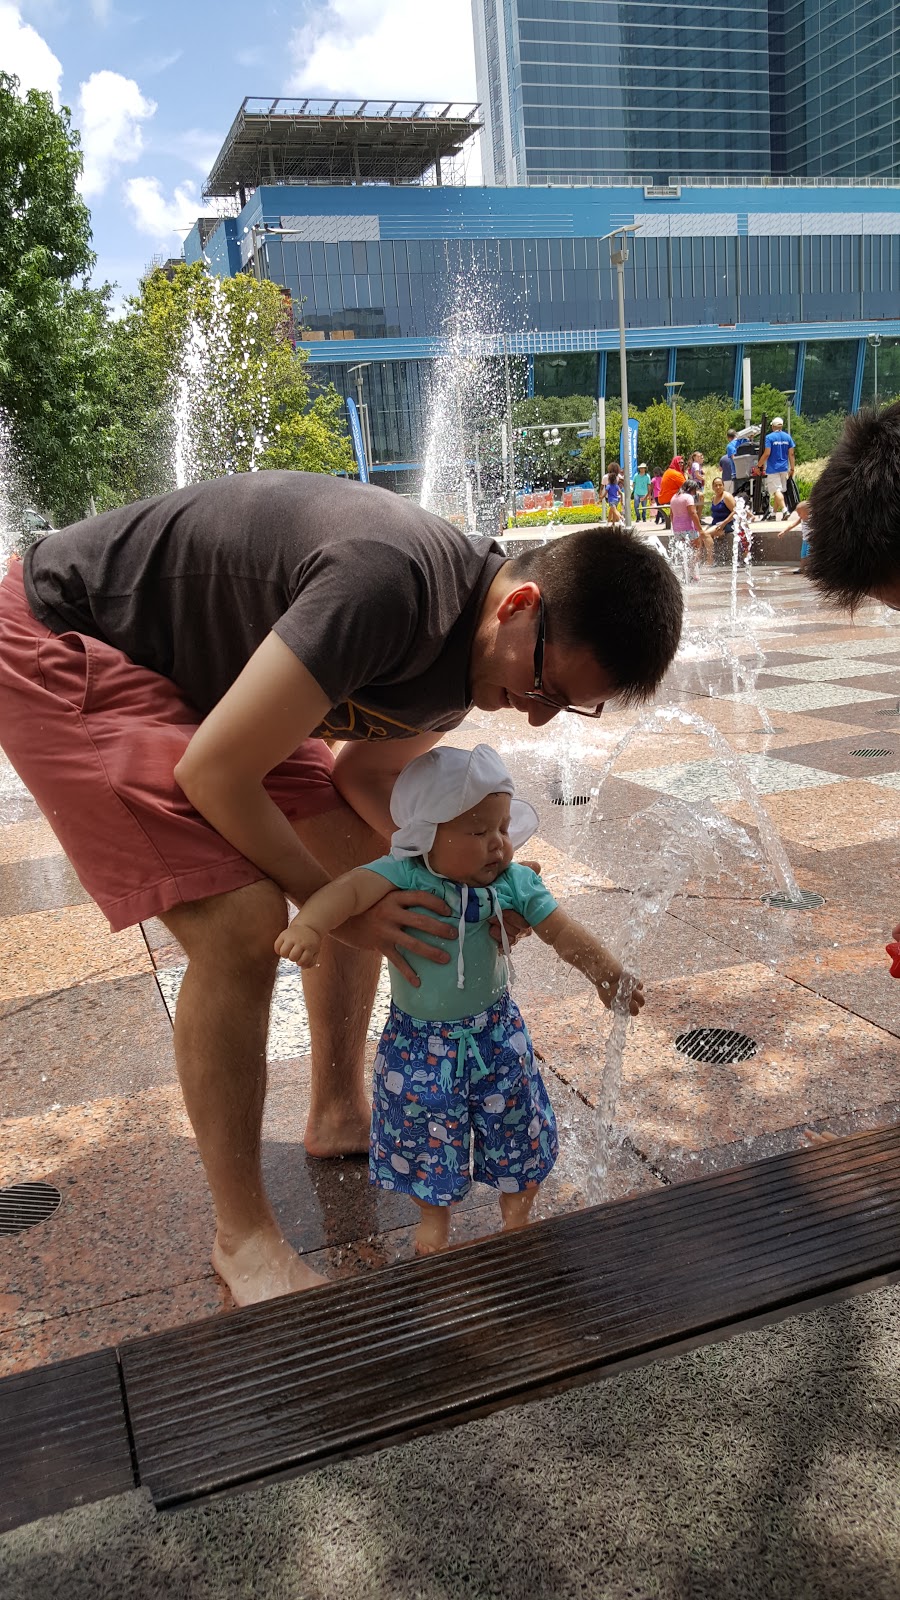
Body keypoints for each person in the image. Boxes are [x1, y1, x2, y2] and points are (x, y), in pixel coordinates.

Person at [0, 471, 682, 1306]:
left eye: (568, 708)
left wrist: (450, 878)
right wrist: (350, 919)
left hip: (209, 684)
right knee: (242, 922)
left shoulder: (475, 660)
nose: (534, 717)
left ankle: (337, 1110)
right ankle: (243, 1238)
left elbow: (365, 777)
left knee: (371, 876)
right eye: (544, 690)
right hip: (66, 636)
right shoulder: (386, 587)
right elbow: (215, 773)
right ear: (520, 606)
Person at [275, 744, 644, 1256]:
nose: (497, 843)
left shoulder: (514, 882)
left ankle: (517, 1213)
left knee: (517, 1122)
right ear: (426, 834)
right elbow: (348, 891)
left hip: (496, 1035)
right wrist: (310, 925)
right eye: (477, 831)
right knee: (425, 1131)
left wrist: (606, 973)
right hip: (418, 1043)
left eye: (502, 827)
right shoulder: (405, 874)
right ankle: (434, 1219)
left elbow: (562, 932)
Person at [759, 415, 796, 519]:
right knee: (779, 491)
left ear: (773, 426)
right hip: (784, 468)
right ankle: (773, 514)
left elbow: (767, 453)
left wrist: (759, 465)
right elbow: (791, 454)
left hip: (773, 468)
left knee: (776, 491)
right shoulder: (787, 437)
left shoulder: (769, 437)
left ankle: (785, 510)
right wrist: (792, 468)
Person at [669, 485, 707, 580]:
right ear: (691, 489)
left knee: (684, 551)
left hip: (677, 529)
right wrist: (700, 529)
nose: (695, 493)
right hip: (689, 528)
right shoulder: (688, 497)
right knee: (697, 548)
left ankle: (686, 573)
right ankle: (691, 568)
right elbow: (692, 513)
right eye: (695, 491)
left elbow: (671, 514)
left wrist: (675, 527)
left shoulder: (674, 497)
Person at [707, 476, 736, 559]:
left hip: (727, 524)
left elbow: (735, 511)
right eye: (716, 485)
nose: (718, 487)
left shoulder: (727, 497)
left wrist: (724, 523)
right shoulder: (714, 498)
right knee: (701, 534)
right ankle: (698, 558)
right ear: (713, 487)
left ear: (723, 486)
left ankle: (710, 560)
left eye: (720, 485)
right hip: (716, 523)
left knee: (706, 534)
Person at [779, 499, 810, 574]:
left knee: (809, 554)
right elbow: (793, 525)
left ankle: (810, 568)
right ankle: (802, 568)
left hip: (811, 540)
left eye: (799, 513)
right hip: (805, 540)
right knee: (803, 554)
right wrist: (784, 531)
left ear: (807, 512)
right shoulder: (801, 519)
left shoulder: (812, 519)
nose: (798, 515)